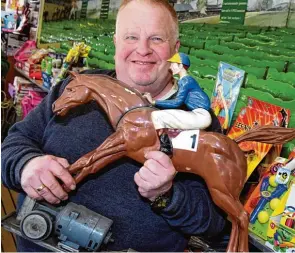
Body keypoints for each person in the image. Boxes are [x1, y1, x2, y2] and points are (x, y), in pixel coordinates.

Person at [1, 0, 226, 251]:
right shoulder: (77, 87)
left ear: (175, 48)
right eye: (131, 36)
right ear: (116, 41)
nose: (143, 49)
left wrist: (167, 196)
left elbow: (213, 222)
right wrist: (27, 165)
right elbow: (14, 143)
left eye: (156, 39)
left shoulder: (198, 123)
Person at [144, 52, 213, 131]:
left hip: (200, 116)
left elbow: (177, 103)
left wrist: (154, 102)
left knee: (156, 115)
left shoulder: (186, 81)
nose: (170, 67)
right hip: (197, 114)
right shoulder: (184, 80)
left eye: (173, 64)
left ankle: (163, 142)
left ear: (180, 66)